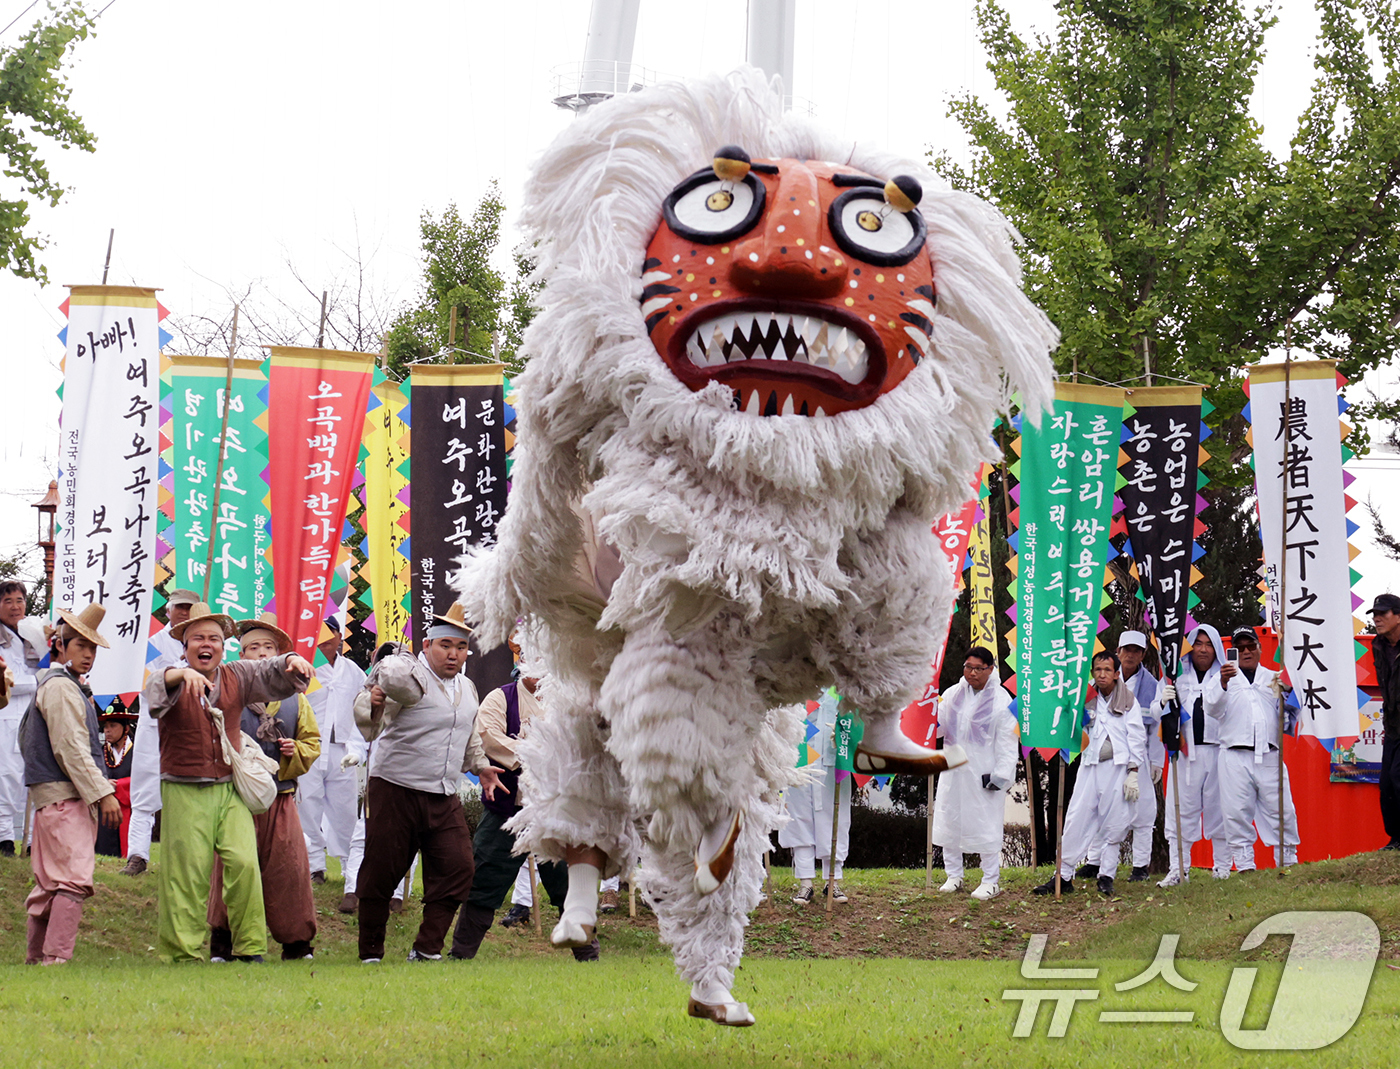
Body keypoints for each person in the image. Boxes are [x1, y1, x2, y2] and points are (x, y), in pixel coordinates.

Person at [140, 601, 315, 963]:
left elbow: (267, 669)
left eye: (215, 638)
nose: (207, 644)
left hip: (230, 787)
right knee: (185, 874)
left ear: (223, 645)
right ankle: (183, 953)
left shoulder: (237, 674)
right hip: (184, 787)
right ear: (186, 647)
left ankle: (250, 949)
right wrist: (180, 676)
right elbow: (153, 691)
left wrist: (290, 660)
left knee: (244, 863)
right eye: (198, 638)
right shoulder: (170, 675)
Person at [355, 603, 503, 963]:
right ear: (426, 646)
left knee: (458, 868)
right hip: (395, 787)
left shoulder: (467, 688)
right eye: (445, 646)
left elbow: (466, 736)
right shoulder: (404, 678)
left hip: (443, 794)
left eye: (461, 647)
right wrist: (373, 702)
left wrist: (482, 767)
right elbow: (372, 725)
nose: (454, 655)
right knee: (381, 871)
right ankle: (370, 951)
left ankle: (426, 949)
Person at [449, 666, 599, 961]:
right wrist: (539, 756)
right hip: (505, 809)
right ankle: (461, 954)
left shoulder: (570, 700)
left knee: (569, 883)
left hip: (558, 809)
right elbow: (489, 737)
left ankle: (588, 956)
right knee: (484, 879)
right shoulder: (501, 698)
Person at [208, 614, 322, 961]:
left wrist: (295, 751)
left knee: (289, 870)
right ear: (241, 655)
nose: (260, 654)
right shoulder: (228, 691)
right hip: (235, 797)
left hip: (281, 797)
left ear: (279, 655)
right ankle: (223, 941)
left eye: (267, 648)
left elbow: (312, 742)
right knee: (232, 868)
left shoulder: (297, 699)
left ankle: (297, 943)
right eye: (252, 648)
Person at [19, 603, 121, 964]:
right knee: (73, 880)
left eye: (92, 648)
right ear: (60, 645)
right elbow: (72, 749)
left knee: (50, 884)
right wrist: (103, 792)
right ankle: (55, 960)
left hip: (50, 799)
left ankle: (38, 960)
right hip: (66, 798)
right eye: (81, 646)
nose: (89, 655)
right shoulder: (62, 687)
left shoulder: (55, 684)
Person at [1034, 651, 1146, 897]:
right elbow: (1069, 727)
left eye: (1107, 670)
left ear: (1116, 674)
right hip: (1089, 767)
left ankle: (1106, 876)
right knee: (1076, 819)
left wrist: (1133, 771)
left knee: (1114, 824)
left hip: (1117, 769)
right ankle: (1062, 876)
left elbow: (1136, 736)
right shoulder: (1083, 698)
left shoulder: (1128, 700)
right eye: (1098, 669)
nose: (1102, 674)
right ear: (1092, 672)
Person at [1208, 627, 1299, 872]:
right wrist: (1224, 683)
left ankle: (1288, 860)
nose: (1246, 652)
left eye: (1251, 646)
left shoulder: (1274, 677)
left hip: (1269, 753)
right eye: (1240, 648)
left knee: (1282, 809)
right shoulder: (1220, 678)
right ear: (1233, 651)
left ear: (1260, 649)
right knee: (1236, 812)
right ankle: (1245, 864)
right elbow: (1212, 709)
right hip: (1234, 754)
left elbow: (1291, 714)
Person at [123, 588, 199, 877]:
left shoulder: (200, 644)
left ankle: (185, 860)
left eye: (189, 608)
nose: (184, 613)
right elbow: (149, 686)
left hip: (189, 729)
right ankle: (137, 855)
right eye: (179, 607)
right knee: (144, 790)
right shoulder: (152, 644)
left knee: (188, 793)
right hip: (154, 726)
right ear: (167, 610)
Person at [932, 646, 1017, 901]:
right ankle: (954, 875)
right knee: (950, 819)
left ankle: (991, 880)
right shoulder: (953, 694)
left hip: (983, 772)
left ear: (990, 669)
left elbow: (1007, 743)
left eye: (978, 668)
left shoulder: (1002, 701)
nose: (972, 673)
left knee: (985, 824)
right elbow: (938, 729)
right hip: (953, 768)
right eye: (968, 667)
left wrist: (1001, 774)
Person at [1078, 631, 1163, 883]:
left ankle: (1140, 866)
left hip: (1139, 758)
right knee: (1100, 809)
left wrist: (1155, 760)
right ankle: (1094, 861)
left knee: (1144, 812)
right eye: (1127, 650)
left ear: (1143, 655)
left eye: (1136, 651)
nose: (1131, 655)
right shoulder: (1098, 685)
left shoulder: (1152, 685)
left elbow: (1154, 728)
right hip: (1104, 759)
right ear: (1118, 651)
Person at [1155, 624, 1230, 885]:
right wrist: (1163, 701)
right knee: (1180, 812)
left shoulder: (1225, 677)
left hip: (1217, 751)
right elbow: (1155, 712)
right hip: (1185, 754)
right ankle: (1178, 869)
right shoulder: (1175, 676)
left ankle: (1222, 867)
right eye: (1198, 643)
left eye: (1209, 644)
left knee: (1220, 810)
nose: (1203, 649)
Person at [298, 616, 367, 887]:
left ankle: (350, 866)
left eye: (332, 633)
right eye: (321, 633)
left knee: (345, 808)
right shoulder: (303, 667)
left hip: (343, 748)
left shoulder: (352, 671)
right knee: (308, 806)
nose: (327, 639)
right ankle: (314, 865)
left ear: (340, 637)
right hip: (310, 747)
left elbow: (364, 706)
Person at [779, 691, 853, 905]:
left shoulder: (841, 689)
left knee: (835, 821)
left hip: (833, 764)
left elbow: (859, 722)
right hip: (798, 761)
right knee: (799, 820)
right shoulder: (794, 686)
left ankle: (834, 881)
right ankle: (805, 884)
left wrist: (846, 740)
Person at [1, 579, 48, 857]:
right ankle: (5, 837)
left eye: (19, 600)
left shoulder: (34, 635)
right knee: (6, 777)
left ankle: (32, 840)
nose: (15, 607)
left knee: (34, 777)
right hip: (5, 717)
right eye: (8, 601)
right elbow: (5, 683)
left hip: (34, 716)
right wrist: (38, 680)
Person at [1369, 594, 1400, 850]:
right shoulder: (1377, 645)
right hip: (1392, 726)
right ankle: (1396, 839)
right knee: (1386, 784)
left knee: (1398, 776)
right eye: (1374, 614)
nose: (1377, 618)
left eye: (1383, 613)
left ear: (1398, 616)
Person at [95, 705, 137, 858]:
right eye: (105, 726)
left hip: (129, 810)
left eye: (112, 725)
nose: (107, 730)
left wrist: (119, 785)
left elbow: (143, 780)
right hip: (103, 810)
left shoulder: (137, 751)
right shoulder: (99, 752)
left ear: (125, 728)